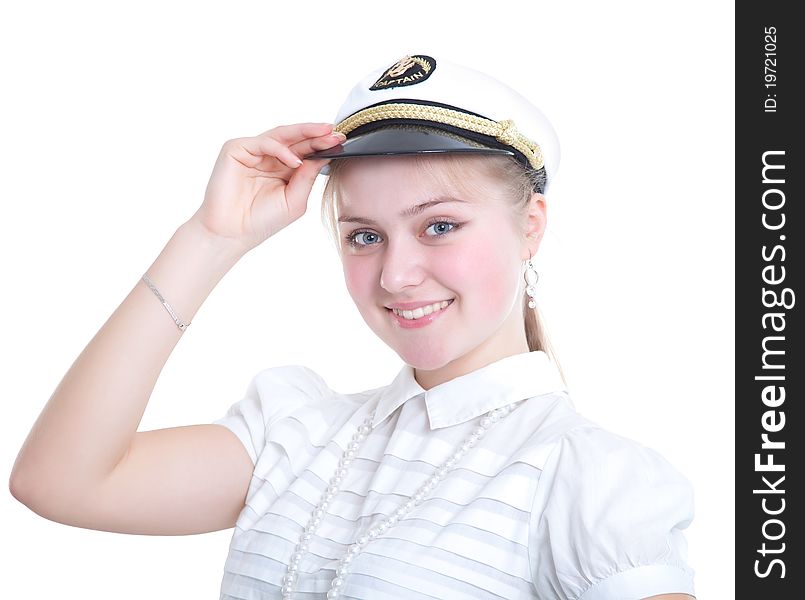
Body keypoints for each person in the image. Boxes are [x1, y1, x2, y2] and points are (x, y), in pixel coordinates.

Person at [9, 53, 696, 600]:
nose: (396, 274)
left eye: (439, 226)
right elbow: (58, 482)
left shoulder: (590, 479)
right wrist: (211, 238)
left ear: (529, 228)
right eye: (364, 236)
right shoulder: (298, 432)